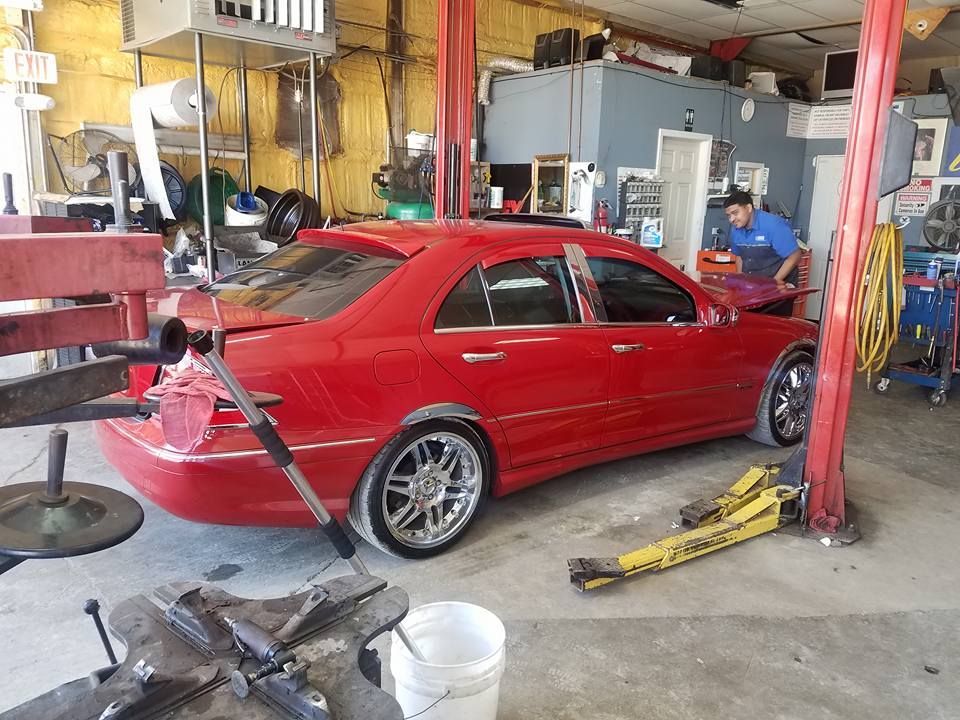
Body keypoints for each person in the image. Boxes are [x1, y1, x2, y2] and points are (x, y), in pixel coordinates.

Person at [723, 190, 802, 287]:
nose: (731, 219)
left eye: (735, 213)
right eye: (728, 215)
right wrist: (741, 280)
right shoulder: (736, 229)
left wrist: (774, 282)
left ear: (748, 208)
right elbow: (739, 256)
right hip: (755, 285)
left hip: (780, 284)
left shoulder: (774, 225)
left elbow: (795, 256)